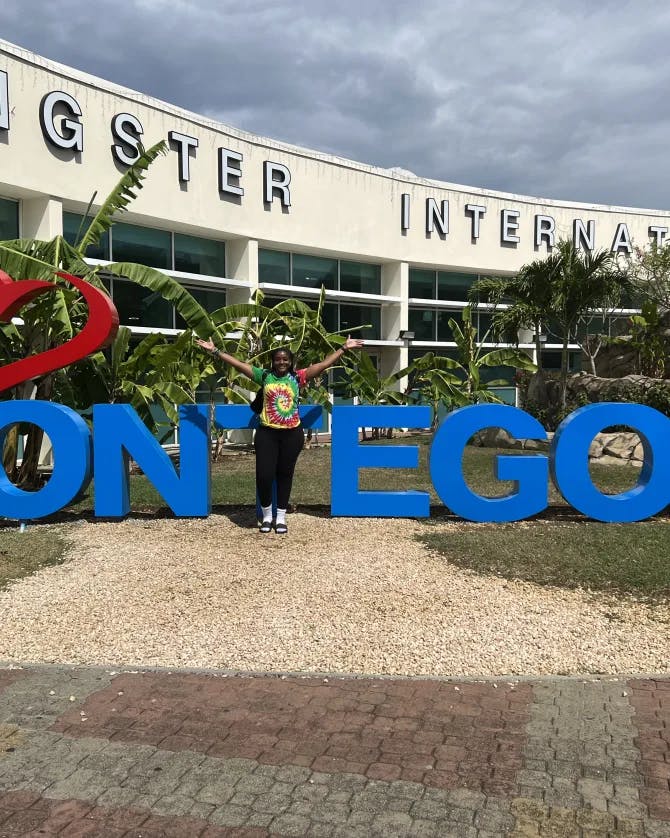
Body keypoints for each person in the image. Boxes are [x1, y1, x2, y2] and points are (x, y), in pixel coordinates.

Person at [195, 336, 364, 533]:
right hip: (267, 433)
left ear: (290, 362)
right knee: (264, 476)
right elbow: (239, 365)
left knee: (285, 475)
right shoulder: (264, 376)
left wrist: (343, 348)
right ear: (273, 362)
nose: (281, 362)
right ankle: (267, 516)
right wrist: (215, 351)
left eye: (285, 359)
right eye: (277, 359)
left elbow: (323, 365)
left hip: (292, 434)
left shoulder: (298, 377)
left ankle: (281, 517)